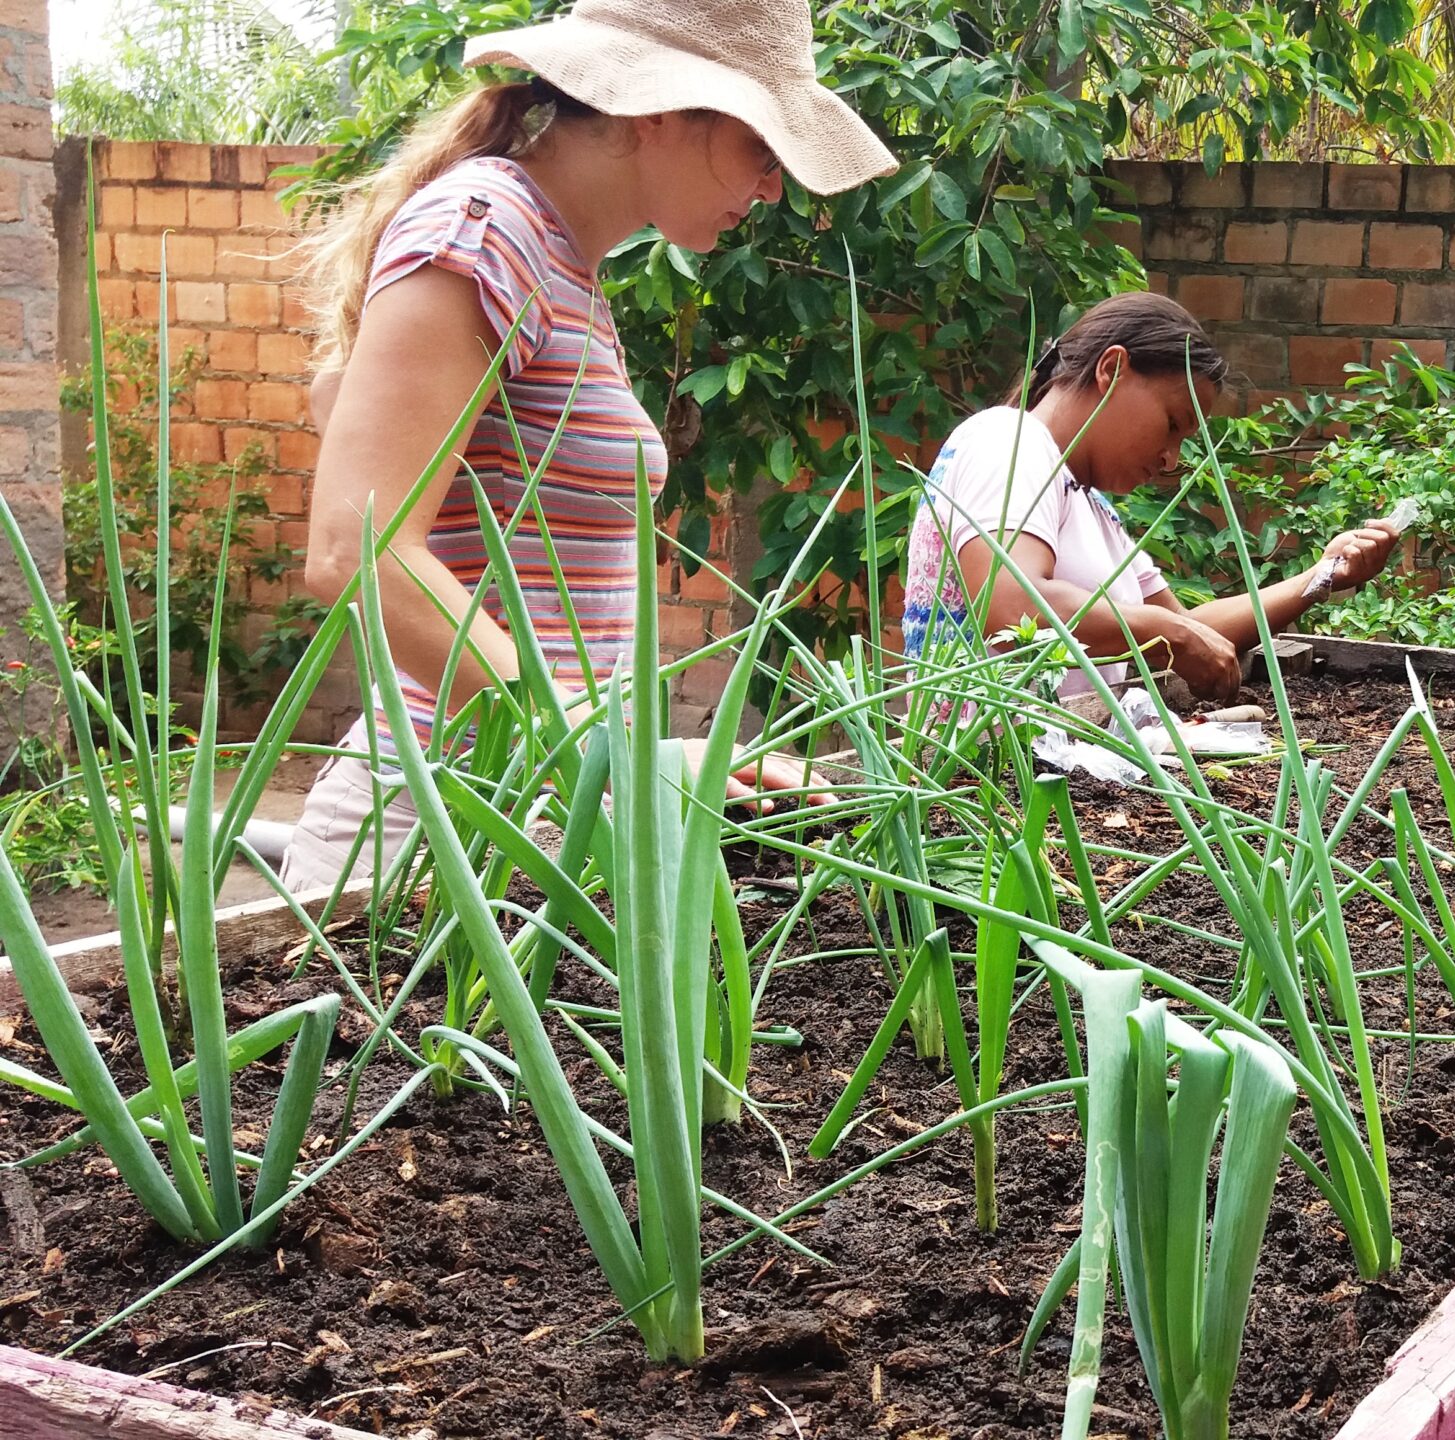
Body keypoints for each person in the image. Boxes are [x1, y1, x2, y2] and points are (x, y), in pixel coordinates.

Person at [281, 0, 893, 890]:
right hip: (433, 832)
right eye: (763, 148)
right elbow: (358, 552)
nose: (772, 187)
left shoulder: (556, 259)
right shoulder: (487, 232)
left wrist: (632, 760)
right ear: (657, 111)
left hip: (531, 807)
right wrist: (609, 756)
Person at [901, 292, 1396, 703]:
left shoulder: (1091, 506)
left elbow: (1191, 629)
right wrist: (1170, 634)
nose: (1171, 459)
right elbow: (1010, 602)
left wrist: (1323, 576)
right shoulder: (1006, 439)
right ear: (1112, 370)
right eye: (1173, 424)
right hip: (990, 779)